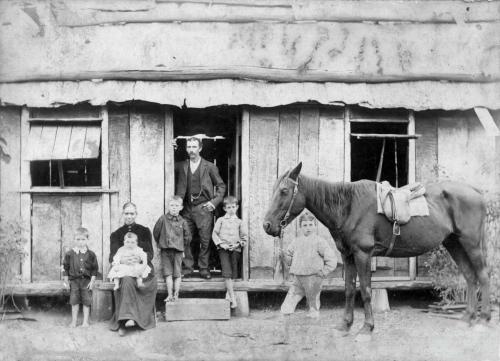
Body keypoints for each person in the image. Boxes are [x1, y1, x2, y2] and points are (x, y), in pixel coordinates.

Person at [175, 136, 226, 279]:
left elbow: (221, 186)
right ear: (186, 149)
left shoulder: (209, 166)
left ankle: (204, 268)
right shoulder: (182, 165)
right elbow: (166, 162)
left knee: (205, 240)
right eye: (189, 147)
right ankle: (188, 268)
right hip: (186, 208)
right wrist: (171, 146)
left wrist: (214, 202)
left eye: (194, 147)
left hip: (203, 208)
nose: (191, 150)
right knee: (186, 239)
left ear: (200, 148)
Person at [109, 202, 157, 336]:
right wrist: (123, 260)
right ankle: (124, 321)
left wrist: (139, 259)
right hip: (123, 267)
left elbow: (150, 253)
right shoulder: (116, 234)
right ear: (123, 214)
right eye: (126, 213)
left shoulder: (144, 231)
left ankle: (137, 319)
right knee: (127, 280)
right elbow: (112, 256)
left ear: (136, 214)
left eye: (132, 213)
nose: (129, 216)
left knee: (140, 279)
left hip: (141, 266)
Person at [280, 212, 337, 318]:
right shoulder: (296, 241)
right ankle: (285, 315)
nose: (308, 228)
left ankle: (314, 319)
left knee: (313, 299)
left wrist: (324, 271)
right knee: (292, 295)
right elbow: (288, 255)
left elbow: (332, 259)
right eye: (305, 225)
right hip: (298, 277)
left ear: (315, 226)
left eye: (310, 225)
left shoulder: (320, 241)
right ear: (300, 227)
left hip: (314, 276)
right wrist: (287, 260)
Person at [153, 196, 191, 302]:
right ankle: (169, 295)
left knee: (177, 273)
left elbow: (187, 237)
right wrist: (160, 243)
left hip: (178, 251)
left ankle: (176, 294)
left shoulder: (183, 222)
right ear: (168, 206)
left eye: (176, 206)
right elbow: (156, 232)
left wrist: (182, 248)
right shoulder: (163, 219)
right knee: (168, 273)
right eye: (172, 205)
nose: (174, 208)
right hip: (165, 250)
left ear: (181, 207)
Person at [212, 196, 248, 308]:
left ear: (237, 207)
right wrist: (221, 244)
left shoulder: (240, 222)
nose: (231, 209)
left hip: (235, 249)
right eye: (228, 207)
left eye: (233, 207)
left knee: (233, 273)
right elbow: (214, 234)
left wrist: (237, 244)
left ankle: (228, 293)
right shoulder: (220, 220)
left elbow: (244, 237)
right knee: (227, 272)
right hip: (223, 249)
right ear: (224, 208)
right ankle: (233, 298)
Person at [62, 227, 98, 328]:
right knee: (74, 301)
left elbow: (94, 269)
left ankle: (85, 322)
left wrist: (92, 282)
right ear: (74, 239)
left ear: (87, 240)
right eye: (78, 239)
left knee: (86, 302)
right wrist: (66, 281)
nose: (80, 242)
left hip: (86, 281)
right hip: (74, 281)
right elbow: (65, 267)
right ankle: (74, 322)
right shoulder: (70, 254)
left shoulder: (91, 254)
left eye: (83, 239)